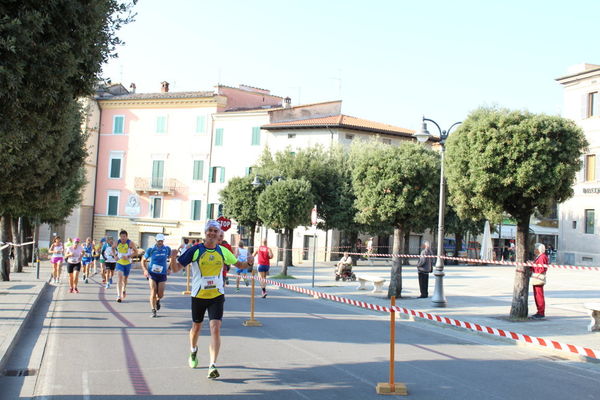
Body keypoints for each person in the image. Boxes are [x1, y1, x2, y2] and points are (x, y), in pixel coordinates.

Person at [169, 220, 245, 379]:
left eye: (215, 231)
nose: (212, 233)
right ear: (205, 233)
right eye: (209, 230)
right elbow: (176, 269)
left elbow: (239, 264)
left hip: (216, 295)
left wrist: (249, 262)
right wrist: (173, 257)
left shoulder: (223, 251)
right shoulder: (195, 250)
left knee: (215, 327)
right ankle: (193, 350)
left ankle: (212, 365)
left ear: (219, 235)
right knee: (196, 327)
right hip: (198, 296)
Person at [142, 234, 173, 317]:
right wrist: (145, 270)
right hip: (152, 273)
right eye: (159, 241)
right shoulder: (151, 249)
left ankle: (158, 300)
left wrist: (169, 268)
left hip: (162, 274)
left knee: (160, 294)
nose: (160, 242)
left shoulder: (167, 249)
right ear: (156, 240)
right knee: (153, 291)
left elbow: (171, 258)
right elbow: (143, 260)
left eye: (161, 241)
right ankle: (153, 310)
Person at [113, 230, 138, 303]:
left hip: (127, 263)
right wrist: (115, 256)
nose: (123, 238)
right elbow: (112, 248)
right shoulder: (117, 242)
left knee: (125, 279)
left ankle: (124, 289)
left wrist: (129, 256)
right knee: (119, 278)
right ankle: (118, 296)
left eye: (124, 237)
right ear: (119, 237)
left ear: (127, 237)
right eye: (121, 237)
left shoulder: (130, 243)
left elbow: (136, 252)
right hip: (119, 263)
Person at [530, 243, 549, 320]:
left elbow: (541, 269)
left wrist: (533, 267)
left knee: (539, 295)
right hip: (536, 277)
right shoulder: (539, 257)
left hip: (538, 277)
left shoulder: (542, 257)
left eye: (536, 249)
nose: (534, 250)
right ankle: (539, 311)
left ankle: (541, 312)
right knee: (537, 295)